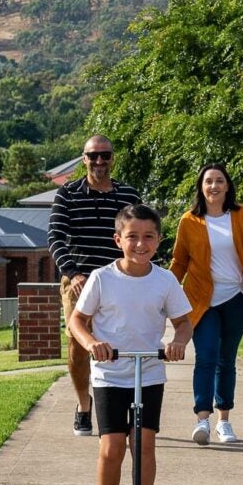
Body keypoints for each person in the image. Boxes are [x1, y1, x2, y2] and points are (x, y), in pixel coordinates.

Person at [68, 203, 192, 485]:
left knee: (144, 444)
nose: (141, 244)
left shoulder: (164, 280)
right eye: (132, 237)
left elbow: (184, 321)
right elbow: (77, 321)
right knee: (112, 447)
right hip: (110, 375)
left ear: (158, 240)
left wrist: (178, 343)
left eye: (148, 237)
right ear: (118, 240)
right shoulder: (103, 278)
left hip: (148, 372)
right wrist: (93, 344)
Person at [170, 163, 243, 445]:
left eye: (219, 181)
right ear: (200, 186)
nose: (214, 186)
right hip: (202, 300)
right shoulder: (189, 220)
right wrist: (164, 291)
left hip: (237, 298)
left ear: (227, 185)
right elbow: (179, 262)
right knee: (206, 356)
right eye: (208, 181)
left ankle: (224, 421)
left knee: (226, 361)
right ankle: (202, 420)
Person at [47, 135, 141, 437]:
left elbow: (139, 237)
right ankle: (83, 406)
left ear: (113, 158)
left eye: (105, 155)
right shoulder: (68, 194)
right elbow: (55, 239)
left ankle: (119, 404)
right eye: (93, 156)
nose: (99, 161)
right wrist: (73, 274)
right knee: (79, 344)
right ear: (84, 159)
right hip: (80, 281)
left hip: (120, 280)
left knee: (123, 343)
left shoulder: (128, 194)